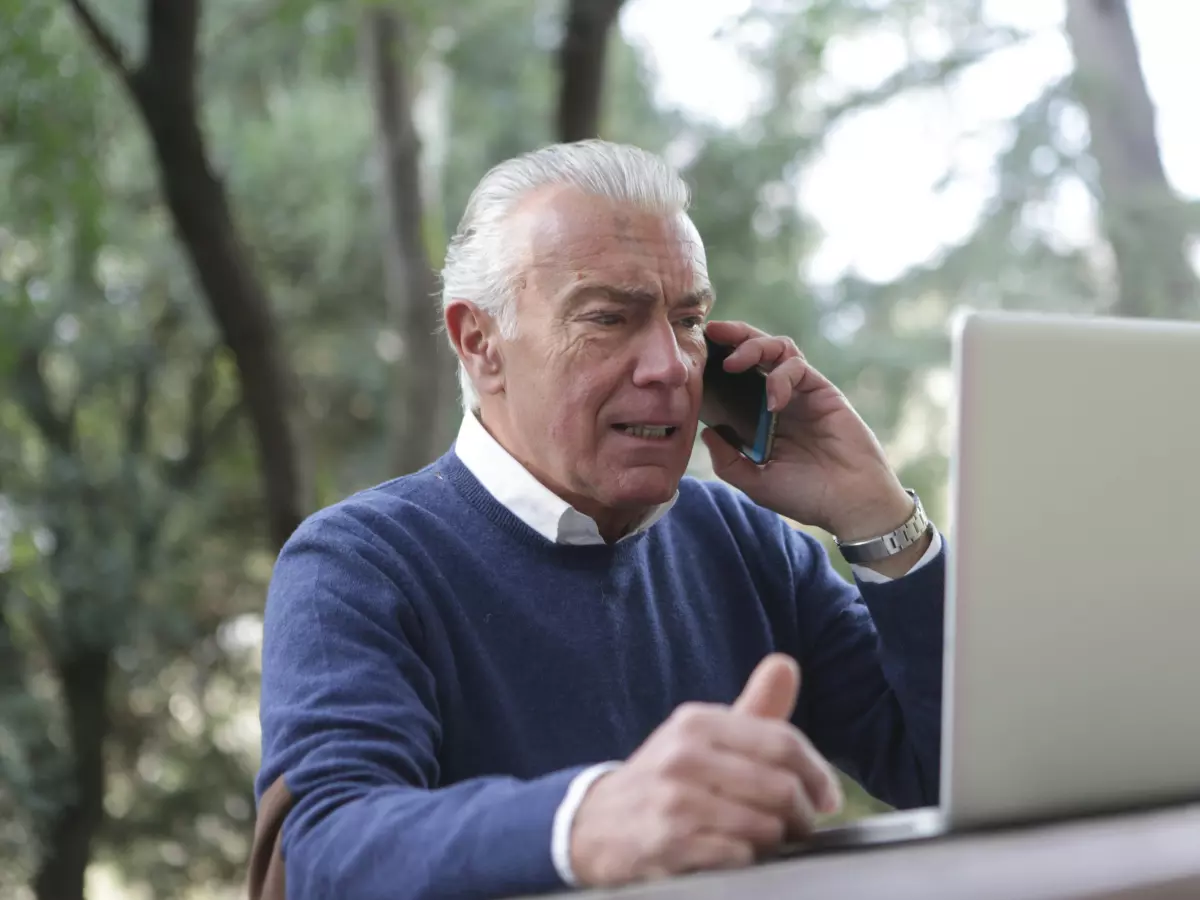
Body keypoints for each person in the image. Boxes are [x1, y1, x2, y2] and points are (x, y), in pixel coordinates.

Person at [249, 140, 946, 900]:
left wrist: (876, 514)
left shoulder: (746, 545)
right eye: (610, 317)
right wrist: (586, 824)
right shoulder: (359, 563)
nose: (671, 367)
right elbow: (325, 850)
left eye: (688, 320)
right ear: (480, 344)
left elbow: (947, 769)